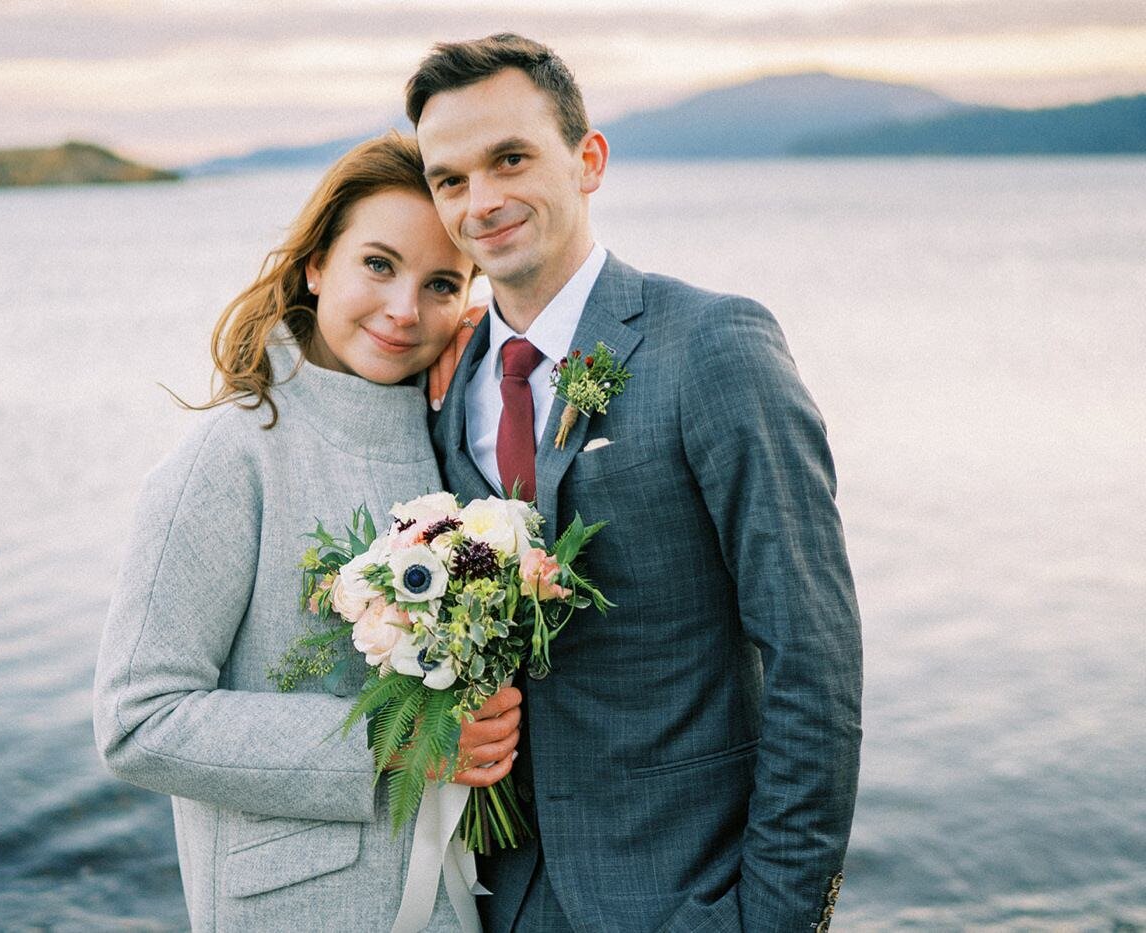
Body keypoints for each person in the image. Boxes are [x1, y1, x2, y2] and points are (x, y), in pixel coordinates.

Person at [408, 35, 863, 932]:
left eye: (510, 158)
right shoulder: (447, 383)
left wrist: (773, 919)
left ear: (589, 161)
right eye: (450, 179)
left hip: (689, 895)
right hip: (504, 898)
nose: (481, 200)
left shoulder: (711, 345)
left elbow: (814, 655)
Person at [92, 132, 521, 933]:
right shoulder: (233, 454)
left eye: (439, 283)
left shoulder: (449, 439)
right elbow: (136, 719)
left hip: (455, 906)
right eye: (378, 264)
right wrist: (395, 744)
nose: (404, 311)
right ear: (317, 262)